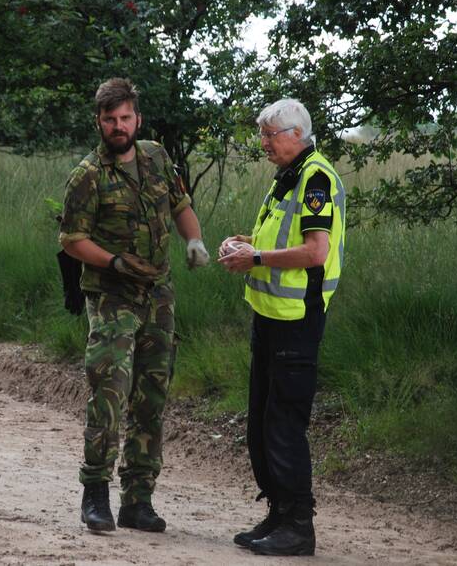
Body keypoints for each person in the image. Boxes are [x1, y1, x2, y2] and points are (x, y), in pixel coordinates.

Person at [59, 77, 210, 534]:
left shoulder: (157, 157)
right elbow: (71, 240)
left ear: (137, 119)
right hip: (112, 296)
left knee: (151, 396)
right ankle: (95, 494)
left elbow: (180, 204)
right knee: (109, 390)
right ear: (99, 122)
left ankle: (138, 499)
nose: (119, 126)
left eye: (125, 118)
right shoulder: (88, 175)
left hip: (158, 295)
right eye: (110, 119)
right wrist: (114, 261)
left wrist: (195, 240)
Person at [218, 98, 346, 557]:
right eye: (262, 135)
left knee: (284, 425)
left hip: (297, 321)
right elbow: (278, 239)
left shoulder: (316, 179)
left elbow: (315, 251)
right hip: (269, 317)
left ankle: (298, 525)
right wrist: (243, 244)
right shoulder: (287, 176)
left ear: (296, 134)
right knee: (260, 422)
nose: (264, 143)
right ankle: (277, 513)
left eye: (270, 135)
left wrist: (254, 258)